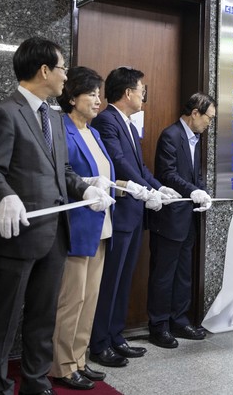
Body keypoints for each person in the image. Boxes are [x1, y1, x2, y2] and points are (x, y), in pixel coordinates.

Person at [0, 38, 114, 395]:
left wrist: (85, 189)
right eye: (62, 69)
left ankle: (36, 381)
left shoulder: (55, 118)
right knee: (3, 320)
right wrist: (5, 195)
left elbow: (64, 170)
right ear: (44, 70)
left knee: (43, 316)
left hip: (55, 235)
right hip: (18, 236)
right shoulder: (5, 113)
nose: (65, 77)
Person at [89, 67, 181, 367]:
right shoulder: (106, 120)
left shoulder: (127, 123)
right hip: (119, 213)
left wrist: (158, 187)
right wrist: (146, 190)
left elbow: (139, 167)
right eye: (142, 90)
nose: (144, 95)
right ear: (128, 92)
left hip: (134, 213)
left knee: (123, 279)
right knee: (110, 281)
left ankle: (116, 337)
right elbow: (118, 162)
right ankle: (99, 343)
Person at [50, 67, 117, 390]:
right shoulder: (61, 130)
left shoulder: (94, 132)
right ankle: (62, 365)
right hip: (76, 228)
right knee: (71, 300)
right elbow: (63, 176)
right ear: (72, 97)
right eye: (91, 94)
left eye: (98, 94)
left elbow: (105, 176)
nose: (98, 100)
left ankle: (79, 359)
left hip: (101, 226)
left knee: (89, 299)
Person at [146, 93, 215, 348]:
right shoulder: (171, 135)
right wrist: (192, 191)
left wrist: (203, 191)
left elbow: (196, 175)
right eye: (208, 117)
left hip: (188, 219)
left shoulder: (196, 138)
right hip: (169, 219)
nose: (209, 123)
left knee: (184, 273)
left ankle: (179, 320)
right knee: (163, 275)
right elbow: (168, 174)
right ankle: (159, 326)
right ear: (195, 113)